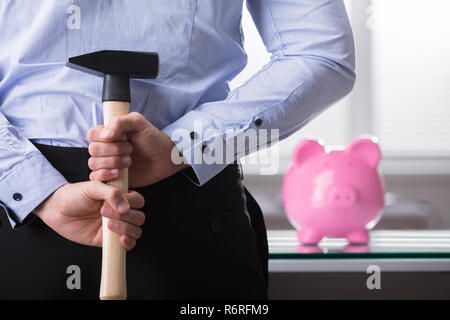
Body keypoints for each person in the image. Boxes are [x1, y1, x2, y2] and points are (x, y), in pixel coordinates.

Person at [0, 0, 355, 299]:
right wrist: (36, 190)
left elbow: (323, 55)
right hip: (20, 209)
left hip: (191, 208)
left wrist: (180, 149)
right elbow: (323, 56)